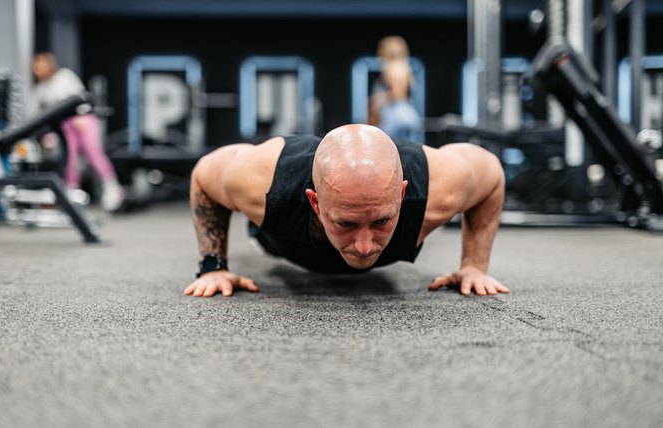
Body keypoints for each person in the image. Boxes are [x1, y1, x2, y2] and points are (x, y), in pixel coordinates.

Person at [184, 124, 509, 298]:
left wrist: (474, 266)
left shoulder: (438, 188)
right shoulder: (264, 184)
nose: (365, 245)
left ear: (401, 195)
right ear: (315, 203)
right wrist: (213, 266)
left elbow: (491, 173)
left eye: (381, 220)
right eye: (346, 222)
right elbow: (204, 175)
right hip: (281, 236)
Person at [31, 52, 124, 212]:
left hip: (83, 121)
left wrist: (81, 115)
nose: (37, 70)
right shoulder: (40, 89)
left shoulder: (64, 76)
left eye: (40, 66)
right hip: (64, 126)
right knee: (70, 159)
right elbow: (39, 114)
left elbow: (81, 96)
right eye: (35, 68)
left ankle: (112, 188)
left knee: (94, 154)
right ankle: (71, 193)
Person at [368, 35, 411, 127]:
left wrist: (377, 100)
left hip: (394, 116)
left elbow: (398, 93)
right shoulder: (403, 68)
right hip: (403, 115)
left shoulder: (392, 68)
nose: (378, 52)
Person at [377, 59, 422, 141]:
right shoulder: (396, 110)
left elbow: (383, 139)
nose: (386, 91)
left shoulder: (401, 114)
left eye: (389, 86)